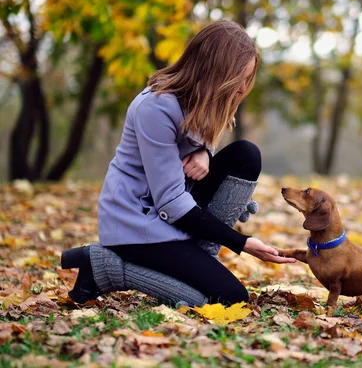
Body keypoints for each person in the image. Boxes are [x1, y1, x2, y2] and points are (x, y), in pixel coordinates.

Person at [60, 20, 296, 307]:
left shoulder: (208, 100)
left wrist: (206, 153)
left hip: (174, 212)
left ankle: (199, 252)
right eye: (238, 79)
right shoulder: (156, 108)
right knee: (226, 298)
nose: (243, 88)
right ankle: (105, 268)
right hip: (138, 224)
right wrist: (241, 242)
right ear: (214, 72)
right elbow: (172, 203)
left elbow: (202, 142)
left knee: (246, 154)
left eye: (247, 78)